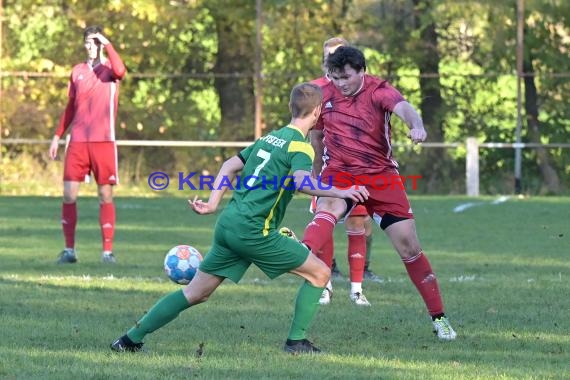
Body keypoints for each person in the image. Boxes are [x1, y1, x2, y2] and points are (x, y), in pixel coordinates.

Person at [109, 82, 369, 355]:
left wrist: (212, 203)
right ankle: (296, 342)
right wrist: (344, 190)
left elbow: (229, 166)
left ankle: (128, 340)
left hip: (229, 224)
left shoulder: (269, 138)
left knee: (196, 293)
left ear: (290, 108)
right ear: (318, 112)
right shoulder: (301, 147)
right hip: (254, 231)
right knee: (320, 274)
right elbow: (302, 182)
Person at [301, 46, 457, 340]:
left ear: (361, 71)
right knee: (328, 208)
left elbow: (404, 108)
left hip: (381, 178)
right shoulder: (322, 92)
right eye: (335, 77)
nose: (340, 83)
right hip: (340, 172)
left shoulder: (379, 90)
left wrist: (417, 126)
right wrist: (316, 171)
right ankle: (300, 252)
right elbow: (317, 134)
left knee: (410, 246)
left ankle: (440, 319)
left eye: (346, 77)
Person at [311, 37, 381, 307]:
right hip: (330, 172)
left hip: (361, 172)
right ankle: (325, 286)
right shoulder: (316, 91)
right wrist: (316, 178)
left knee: (358, 225)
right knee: (325, 224)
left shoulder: (367, 90)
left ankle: (356, 290)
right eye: (331, 56)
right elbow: (315, 138)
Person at [49, 26, 126, 264]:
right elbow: (70, 107)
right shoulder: (77, 71)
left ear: (101, 44)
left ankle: (107, 252)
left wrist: (108, 43)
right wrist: (57, 135)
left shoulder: (110, 71)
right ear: (84, 44)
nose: (91, 46)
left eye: (96, 42)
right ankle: (69, 250)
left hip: (104, 141)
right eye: (88, 42)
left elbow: (122, 71)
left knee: (104, 195)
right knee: (69, 194)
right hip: (78, 142)